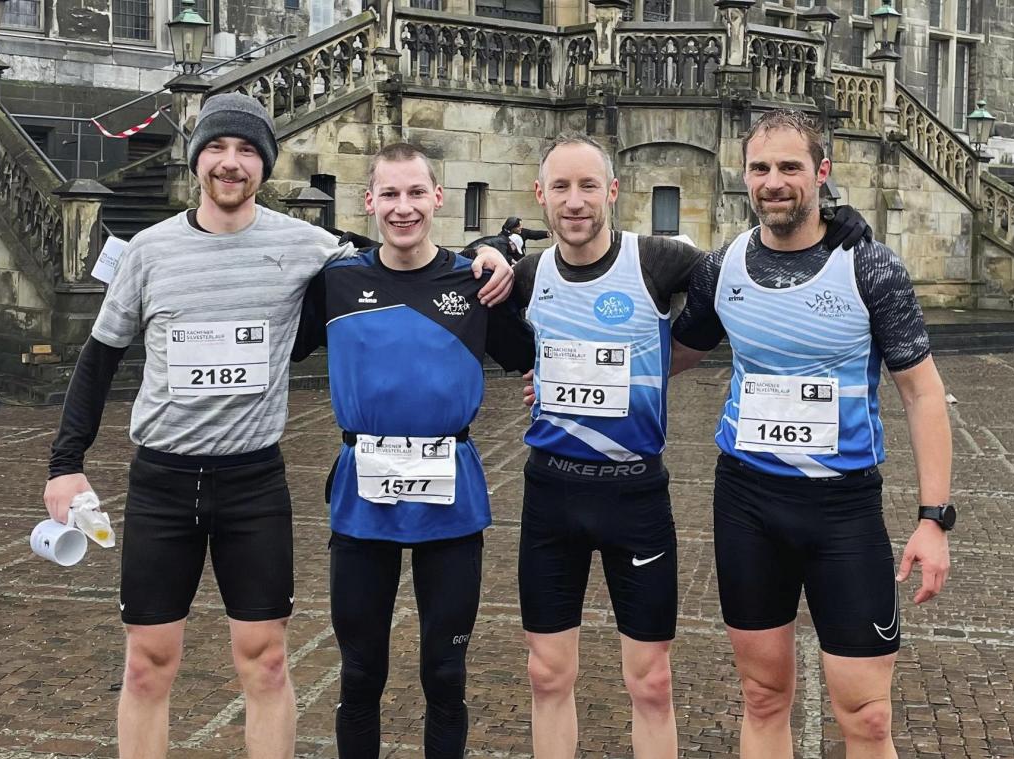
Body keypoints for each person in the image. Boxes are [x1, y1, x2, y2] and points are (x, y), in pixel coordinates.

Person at [42, 93, 511, 759]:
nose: (230, 164)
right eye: (217, 148)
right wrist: (66, 462)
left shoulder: (307, 245)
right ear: (196, 156)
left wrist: (491, 250)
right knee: (148, 662)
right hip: (161, 481)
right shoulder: (149, 251)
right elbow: (97, 360)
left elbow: (404, 254)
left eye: (246, 152)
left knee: (264, 662)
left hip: (253, 482)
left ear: (263, 166)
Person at [668, 108, 953, 759]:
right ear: (744, 176)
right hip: (745, 502)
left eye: (790, 166)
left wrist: (933, 518)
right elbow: (672, 354)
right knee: (763, 696)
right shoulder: (722, 268)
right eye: (761, 167)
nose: (774, 181)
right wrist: (563, 365)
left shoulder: (871, 268)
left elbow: (922, 390)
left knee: (869, 717)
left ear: (821, 173)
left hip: (842, 510)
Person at [292, 143, 535, 758]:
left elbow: (524, 357)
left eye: (416, 193)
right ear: (369, 201)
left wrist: (503, 263)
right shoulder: (335, 281)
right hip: (362, 494)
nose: (404, 208)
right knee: (360, 675)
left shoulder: (473, 280)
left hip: (449, 494)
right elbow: (278, 343)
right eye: (390, 195)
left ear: (438, 198)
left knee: (445, 676)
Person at [509, 133, 707, 759]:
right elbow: (449, 291)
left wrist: (833, 225)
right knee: (546, 674)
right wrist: (487, 251)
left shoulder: (658, 260)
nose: (575, 202)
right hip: (550, 495)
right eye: (561, 187)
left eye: (588, 186)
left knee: (650, 681)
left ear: (613, 193)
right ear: (540, 196)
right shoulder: (528, 274)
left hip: (634, 496)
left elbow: (749, 270)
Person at [466, 216, 552, 264]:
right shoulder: (502, 240)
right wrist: (512, 261)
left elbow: (532, 234)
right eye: (518, 226)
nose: (521, 228)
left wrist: (546, 234)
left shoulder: (522, 232)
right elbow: (502, 258)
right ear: (512, 227)